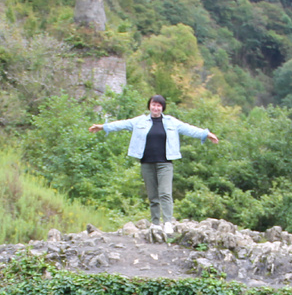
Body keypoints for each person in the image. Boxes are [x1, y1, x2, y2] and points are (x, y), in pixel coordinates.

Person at [89, 94, 219, 238]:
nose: (155, 108)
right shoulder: (139, 121)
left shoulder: (171, 122)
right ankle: (156, 223)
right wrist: (102, 127)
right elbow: (121, 124)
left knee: (165, 193)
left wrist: (206, 134)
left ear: (162, 107)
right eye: (153, 104)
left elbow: (188, 129)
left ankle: (168, 222)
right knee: (152, 195)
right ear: (149, 106)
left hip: (165, 162)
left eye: (158, 105)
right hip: (146, 162)